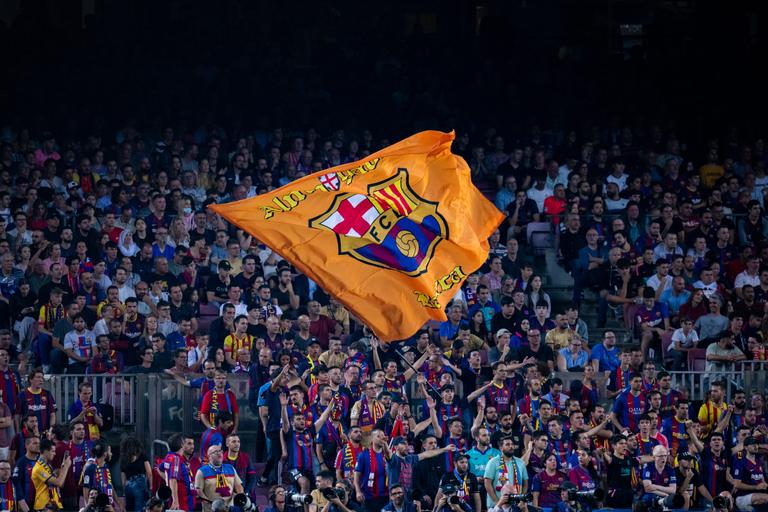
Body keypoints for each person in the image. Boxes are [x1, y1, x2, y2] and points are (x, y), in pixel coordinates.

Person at [484, 436, 528, 509]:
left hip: (515, 505)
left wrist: (521, 500)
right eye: (507, 444)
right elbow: (487, 483)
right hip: (496, 505)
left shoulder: (521, 463)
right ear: (501, 448)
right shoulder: (493, 462)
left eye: (512, 444)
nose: (511, 446)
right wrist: (497, 502)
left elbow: (525, 484)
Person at [195, 445, 243, 512]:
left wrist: (240, 497)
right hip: (211, 510)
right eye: (215, 452)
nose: (219, 453)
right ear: (209, 456)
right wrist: (211, 503)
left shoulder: (230, 468)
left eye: (220, 451)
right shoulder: (201, 471)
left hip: (229, 509)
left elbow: (238, 486)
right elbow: (198, 491)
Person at [354, 429, 391, 512]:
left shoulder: (387, 455)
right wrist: (358, 491)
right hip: (368, 498)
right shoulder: (363, 455)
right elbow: (356, 476)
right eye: (378, 436)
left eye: (383, 436)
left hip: (385, 497)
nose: (382, 438)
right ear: (372, 439)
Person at [31, 438, 70, 511]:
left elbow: (61, 484)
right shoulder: (38, 468)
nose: (55, 454)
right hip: (44, 507)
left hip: (54, 505)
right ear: (45, 451)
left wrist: (63, 467)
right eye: (53, 451)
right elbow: (59, 483)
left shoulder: (48, 465)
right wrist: (66, 467)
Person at [81, 441, 119, 510]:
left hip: (107, 507)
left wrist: (119, 503)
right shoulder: (91, 468)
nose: (111, 454)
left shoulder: (106, 467)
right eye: (110, 451)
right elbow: (85, 489)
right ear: (105, 454)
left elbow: (110, 485)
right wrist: (88, 508)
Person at [119, 436, 152, 512]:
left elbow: (123, 479)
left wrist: (124, 492)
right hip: (140, 483)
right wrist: (150, 487)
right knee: (140, 508)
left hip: (128, 485)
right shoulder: (142, 455)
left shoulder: (123, 459)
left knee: (130, 509)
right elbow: (149, 473)